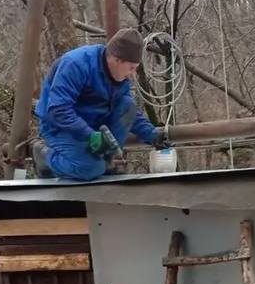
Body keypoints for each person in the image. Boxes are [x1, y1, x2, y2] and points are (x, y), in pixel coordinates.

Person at [31, 28, 168, 181]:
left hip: (93, 128)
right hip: (60, 128)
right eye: (131, 68)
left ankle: (106, 161)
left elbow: (129, 112)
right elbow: (58, 110)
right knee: (89, 169)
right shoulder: (76, 64)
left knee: (128, 103)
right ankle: (44, 156)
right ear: (117, 59)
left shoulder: (119, 79)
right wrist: (90, 135)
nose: (132, 73)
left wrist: (153, 135)